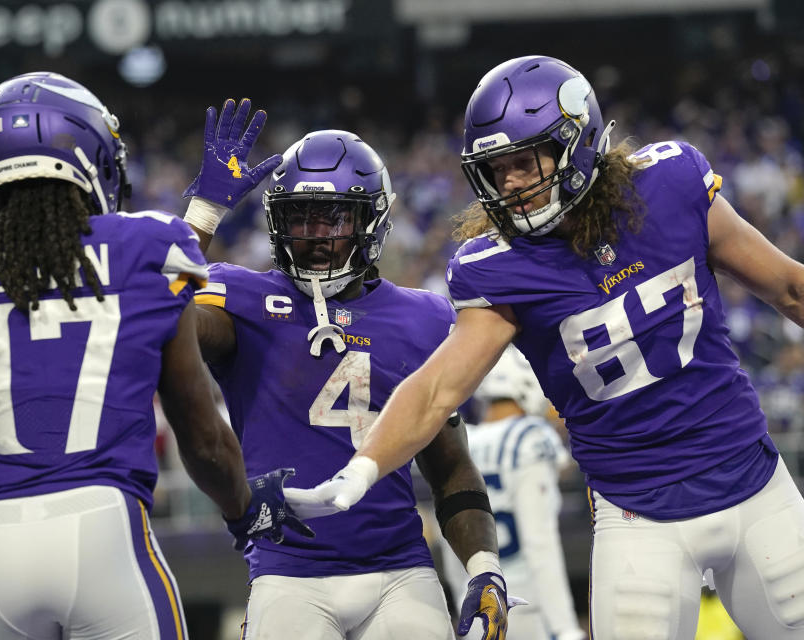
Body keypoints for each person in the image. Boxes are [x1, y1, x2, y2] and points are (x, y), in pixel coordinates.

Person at [284, 55, 804, 640]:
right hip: (638, 518)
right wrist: (362, 470)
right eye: (497, 169)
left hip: (755, 485)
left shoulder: (672, 183)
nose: (509, 183)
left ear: (575, 142)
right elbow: (438, 388)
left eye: (523, 163)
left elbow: (789, 287)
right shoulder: (497, 266)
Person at [0, 72, 311, 640]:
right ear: (93, 158)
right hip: (106, 532)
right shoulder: (147, 247)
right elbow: (205, 440)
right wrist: (243, 510)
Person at [179, 98, 510, 639]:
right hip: (289, 576)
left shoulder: (425, 316)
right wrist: (203, 216)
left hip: (402, 571)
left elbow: (449, 465)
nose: (313, 235)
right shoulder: (241, 296)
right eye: (298, 216)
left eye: (332, 216)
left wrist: (483, 568)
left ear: (372, 219)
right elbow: (154, 317)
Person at [440, 345, 585, 640]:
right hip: (530, 607)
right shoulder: (529, 437)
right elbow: (540, 544)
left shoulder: (462, 440)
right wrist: (565, 627)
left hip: (480, 606)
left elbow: (451, 542)